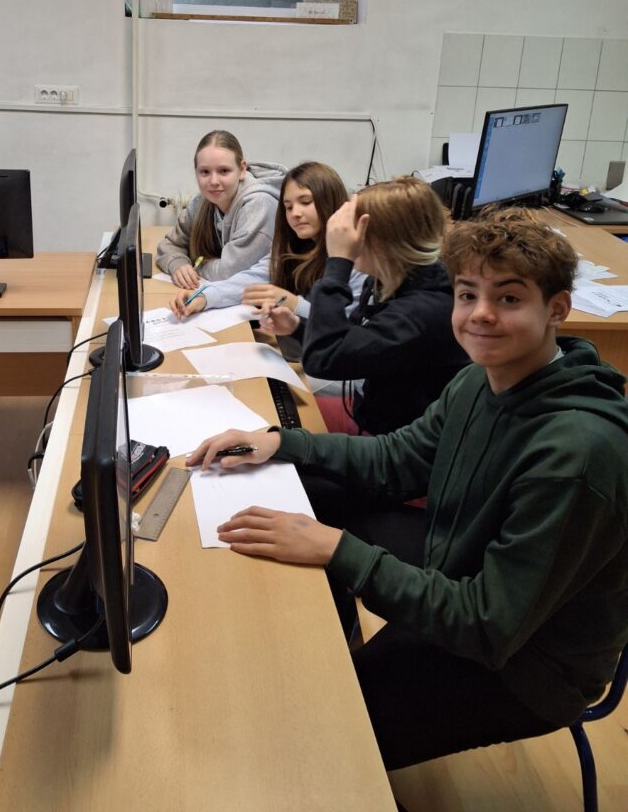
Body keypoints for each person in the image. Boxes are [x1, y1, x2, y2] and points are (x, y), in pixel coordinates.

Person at [187, 207, 628, 771]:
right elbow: (396, 459)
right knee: (321, 508)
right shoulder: (479, 380)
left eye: (509, 298)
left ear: (557, 309)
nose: (481, 314)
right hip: (467, 573)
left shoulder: (575, 455)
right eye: (467, 295)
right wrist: (280, 441)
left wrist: (337, 550)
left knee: (316, 740)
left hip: (527, 666)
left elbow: (487, 626)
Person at [262, 175, 467, 435]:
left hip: (391, 445)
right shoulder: (395, 282)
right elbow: (352, 344)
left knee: (277, 431)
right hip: (371, 416)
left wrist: (338, 262)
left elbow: (324, 360)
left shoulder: (421, 312)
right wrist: (296, 328)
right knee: (269, 407)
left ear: (387, 240)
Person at [168, 161, 364, 321]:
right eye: (288, 207)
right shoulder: (293, 245)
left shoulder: (358, 260)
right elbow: (254, 278)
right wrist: (205, 296)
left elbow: (344, 323)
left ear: (329, 201)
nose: (295, 213)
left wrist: (293, 304)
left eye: (305, 202)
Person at [156, 130, 285, 288]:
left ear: (242, 169)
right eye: (205, 172)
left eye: (224, 171)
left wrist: (196, 268)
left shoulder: (258, 205)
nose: (214, 181)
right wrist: (178, 264)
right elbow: (170, 244)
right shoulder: (203, 201)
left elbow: (230, 272)